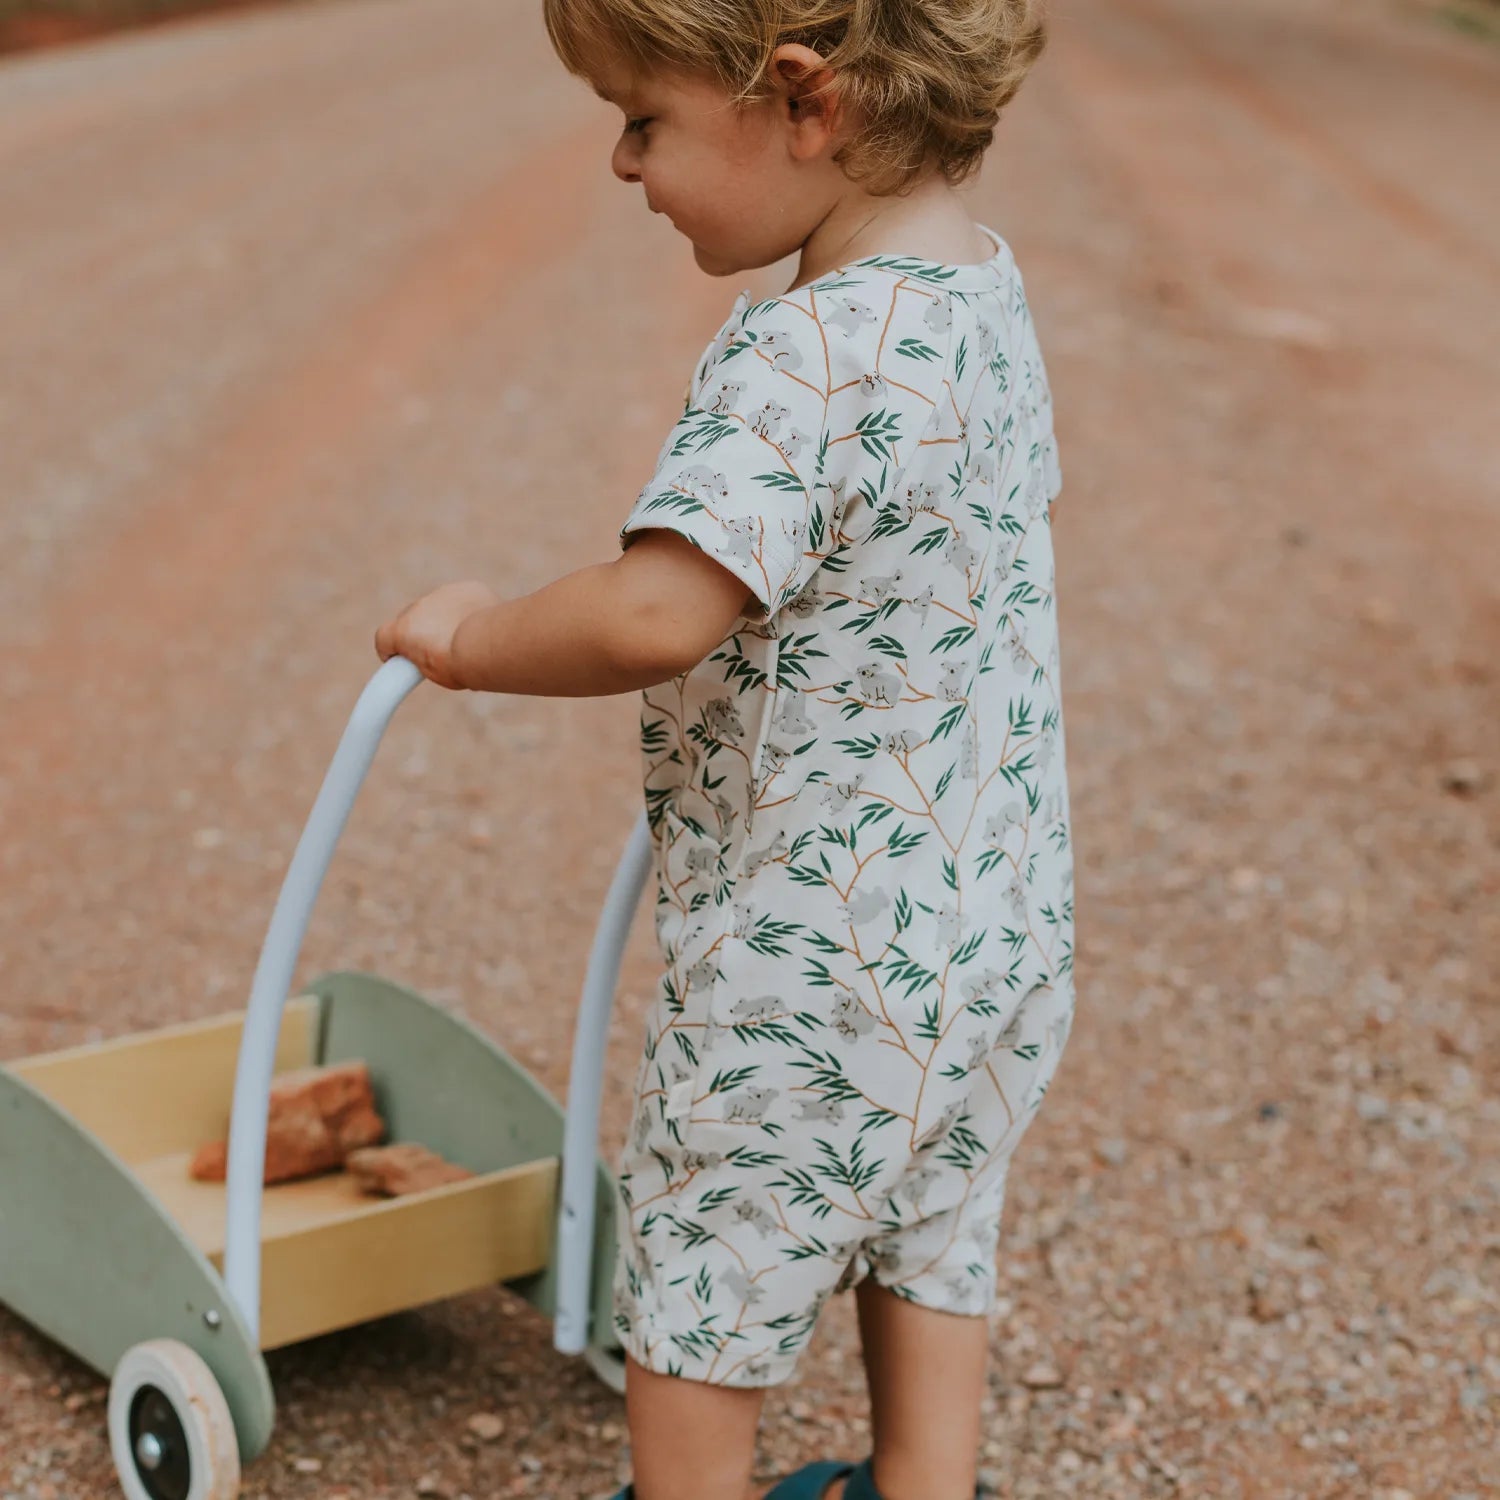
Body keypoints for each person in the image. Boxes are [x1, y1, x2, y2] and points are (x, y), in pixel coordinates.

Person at [374, 1, 1075, 1495]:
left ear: (804, 101)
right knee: (933, 1214)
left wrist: (469, 638)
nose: (625, 164)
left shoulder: (799, 351)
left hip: (815, 952)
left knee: (705, 1258)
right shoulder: (984, 296)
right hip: (995, 920)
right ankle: (921, 1483)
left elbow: (652, 613)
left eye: (644, 119)